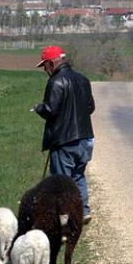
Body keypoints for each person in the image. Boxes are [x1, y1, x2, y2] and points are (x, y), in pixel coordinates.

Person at [33, 45, 96, 224]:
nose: (44, 69)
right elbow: (90, 108)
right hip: (85, 138)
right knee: (78, 175)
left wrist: (39, 108)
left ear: (51, 63)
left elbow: (50, 109)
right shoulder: (83, 79)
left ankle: (64, 218)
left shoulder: (55, 82)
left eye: (44, 65)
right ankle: (83, 212)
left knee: (61, 181)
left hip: (64, 140)